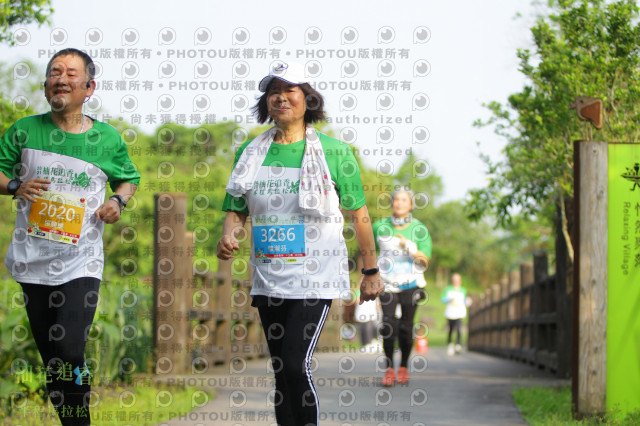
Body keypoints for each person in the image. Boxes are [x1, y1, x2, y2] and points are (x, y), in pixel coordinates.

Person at [217, 61, 383, 426]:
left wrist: (370, 271)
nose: (280, 97)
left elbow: (359, 216)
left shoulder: (335, 152)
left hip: (314, 277)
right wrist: (229, 234)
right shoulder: (250, 152)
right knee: (281, 370)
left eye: (289, 89)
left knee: (295, 364)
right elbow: (236, 208)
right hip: (269, 276)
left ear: (308, 98)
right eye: (273, 91)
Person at [0, 48, 140, 425]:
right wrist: (14, 185)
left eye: (71, 73)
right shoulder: (24, 130)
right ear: (45, 85)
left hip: (81, 261)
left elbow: (129, 179)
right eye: (55, 72)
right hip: (32, 262)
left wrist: (117, 201)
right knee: (54, 360)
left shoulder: (106, 138)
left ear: (89, 87)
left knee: (69, 349)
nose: (61, 79)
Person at [373, 188, 432, 386]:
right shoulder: (379, 226)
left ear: (411, 204)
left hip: (411, 284)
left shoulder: (419, 229)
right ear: (392, 202)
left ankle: (404, 367)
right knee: (388, 325)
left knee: (406, 327)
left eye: (404, 200)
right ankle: (389, 368)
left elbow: (425, 261)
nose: (399, 203)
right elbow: (369, 252)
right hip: (387, 284)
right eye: (396, 199)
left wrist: (410, 248)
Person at [442, 273, 472, 356]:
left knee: (459, 328)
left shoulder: (463, 290)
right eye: (454, 280)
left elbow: (466, 301)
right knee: (451, 329)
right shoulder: (448, 289)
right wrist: (449, 299)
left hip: (459, 312)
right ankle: (450, 344)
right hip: (450, 312)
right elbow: (443, 299)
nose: (456, 282)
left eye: (457, 280)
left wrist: (468, 300)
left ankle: (458, 345)